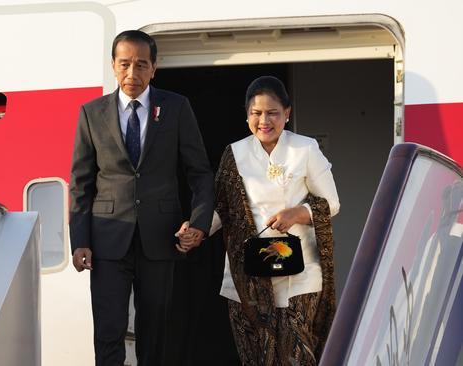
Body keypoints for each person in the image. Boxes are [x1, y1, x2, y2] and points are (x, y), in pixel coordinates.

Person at [69, 30, 214, 366]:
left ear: (154, 68)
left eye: (141, 64)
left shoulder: (177, 107)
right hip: (107, 240)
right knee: (108, 329)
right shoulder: (92, 113)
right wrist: (80, 240)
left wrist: (200, 223)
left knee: (155, 331)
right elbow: (80, 182)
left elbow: (200, 172)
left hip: (161, 238)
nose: (132, 73)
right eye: (124, 64)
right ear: (113, 66)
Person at [178, 75, 340, 365]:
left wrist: (296, 214)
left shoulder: (304, 148)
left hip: (299, 271)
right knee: (256, 357)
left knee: (297, 355)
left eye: (272, 113)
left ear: (287, 114)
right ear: (247, 115)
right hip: (248, 275)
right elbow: (222, 209)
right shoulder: (235, 153)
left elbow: (332, 203)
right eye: (256, 113)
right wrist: (198, 229)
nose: (264, 120)